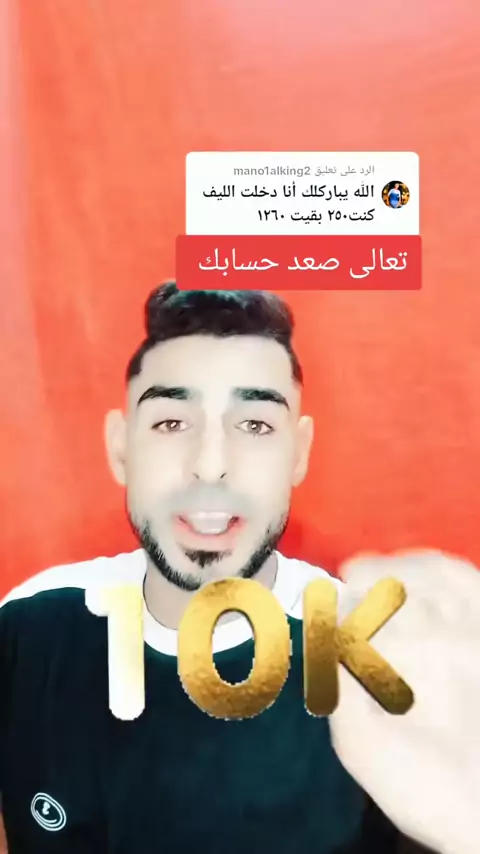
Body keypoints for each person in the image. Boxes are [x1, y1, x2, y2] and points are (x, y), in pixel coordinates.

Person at [0, 283, 478, 854]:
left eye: (254, 425)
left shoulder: (376, 659)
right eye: (171, 423)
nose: (210, 465)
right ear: (121, 447)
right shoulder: (28, 630)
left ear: (298, 453)